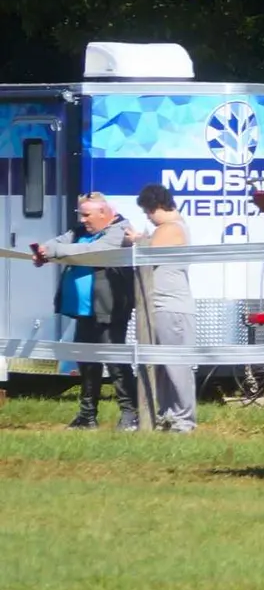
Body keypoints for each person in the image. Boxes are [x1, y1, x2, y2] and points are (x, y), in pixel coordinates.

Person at [33, 193, 138, 430]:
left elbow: (96, 251)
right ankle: (87, 416)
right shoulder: (80, 231)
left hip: (109, 308)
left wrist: (58, 251)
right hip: (83, 310)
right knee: (86, 362)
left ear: (104, 213)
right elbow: (52, 244)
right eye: (81, 214)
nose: (83, 220)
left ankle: (130, 414)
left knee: (115, 361)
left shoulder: (120, 230)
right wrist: (45, 251)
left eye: (87, 215)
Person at [129, 184, 196, 432]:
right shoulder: (168, 228)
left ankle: (183, 420)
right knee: (163, 366)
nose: (147, 216)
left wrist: (138, 240)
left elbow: (148, 255)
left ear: (156, 206)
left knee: (176, 366)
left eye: (147, 211)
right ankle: (168, 415)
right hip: (162, 305)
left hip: (171, 306)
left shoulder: (171, 228)